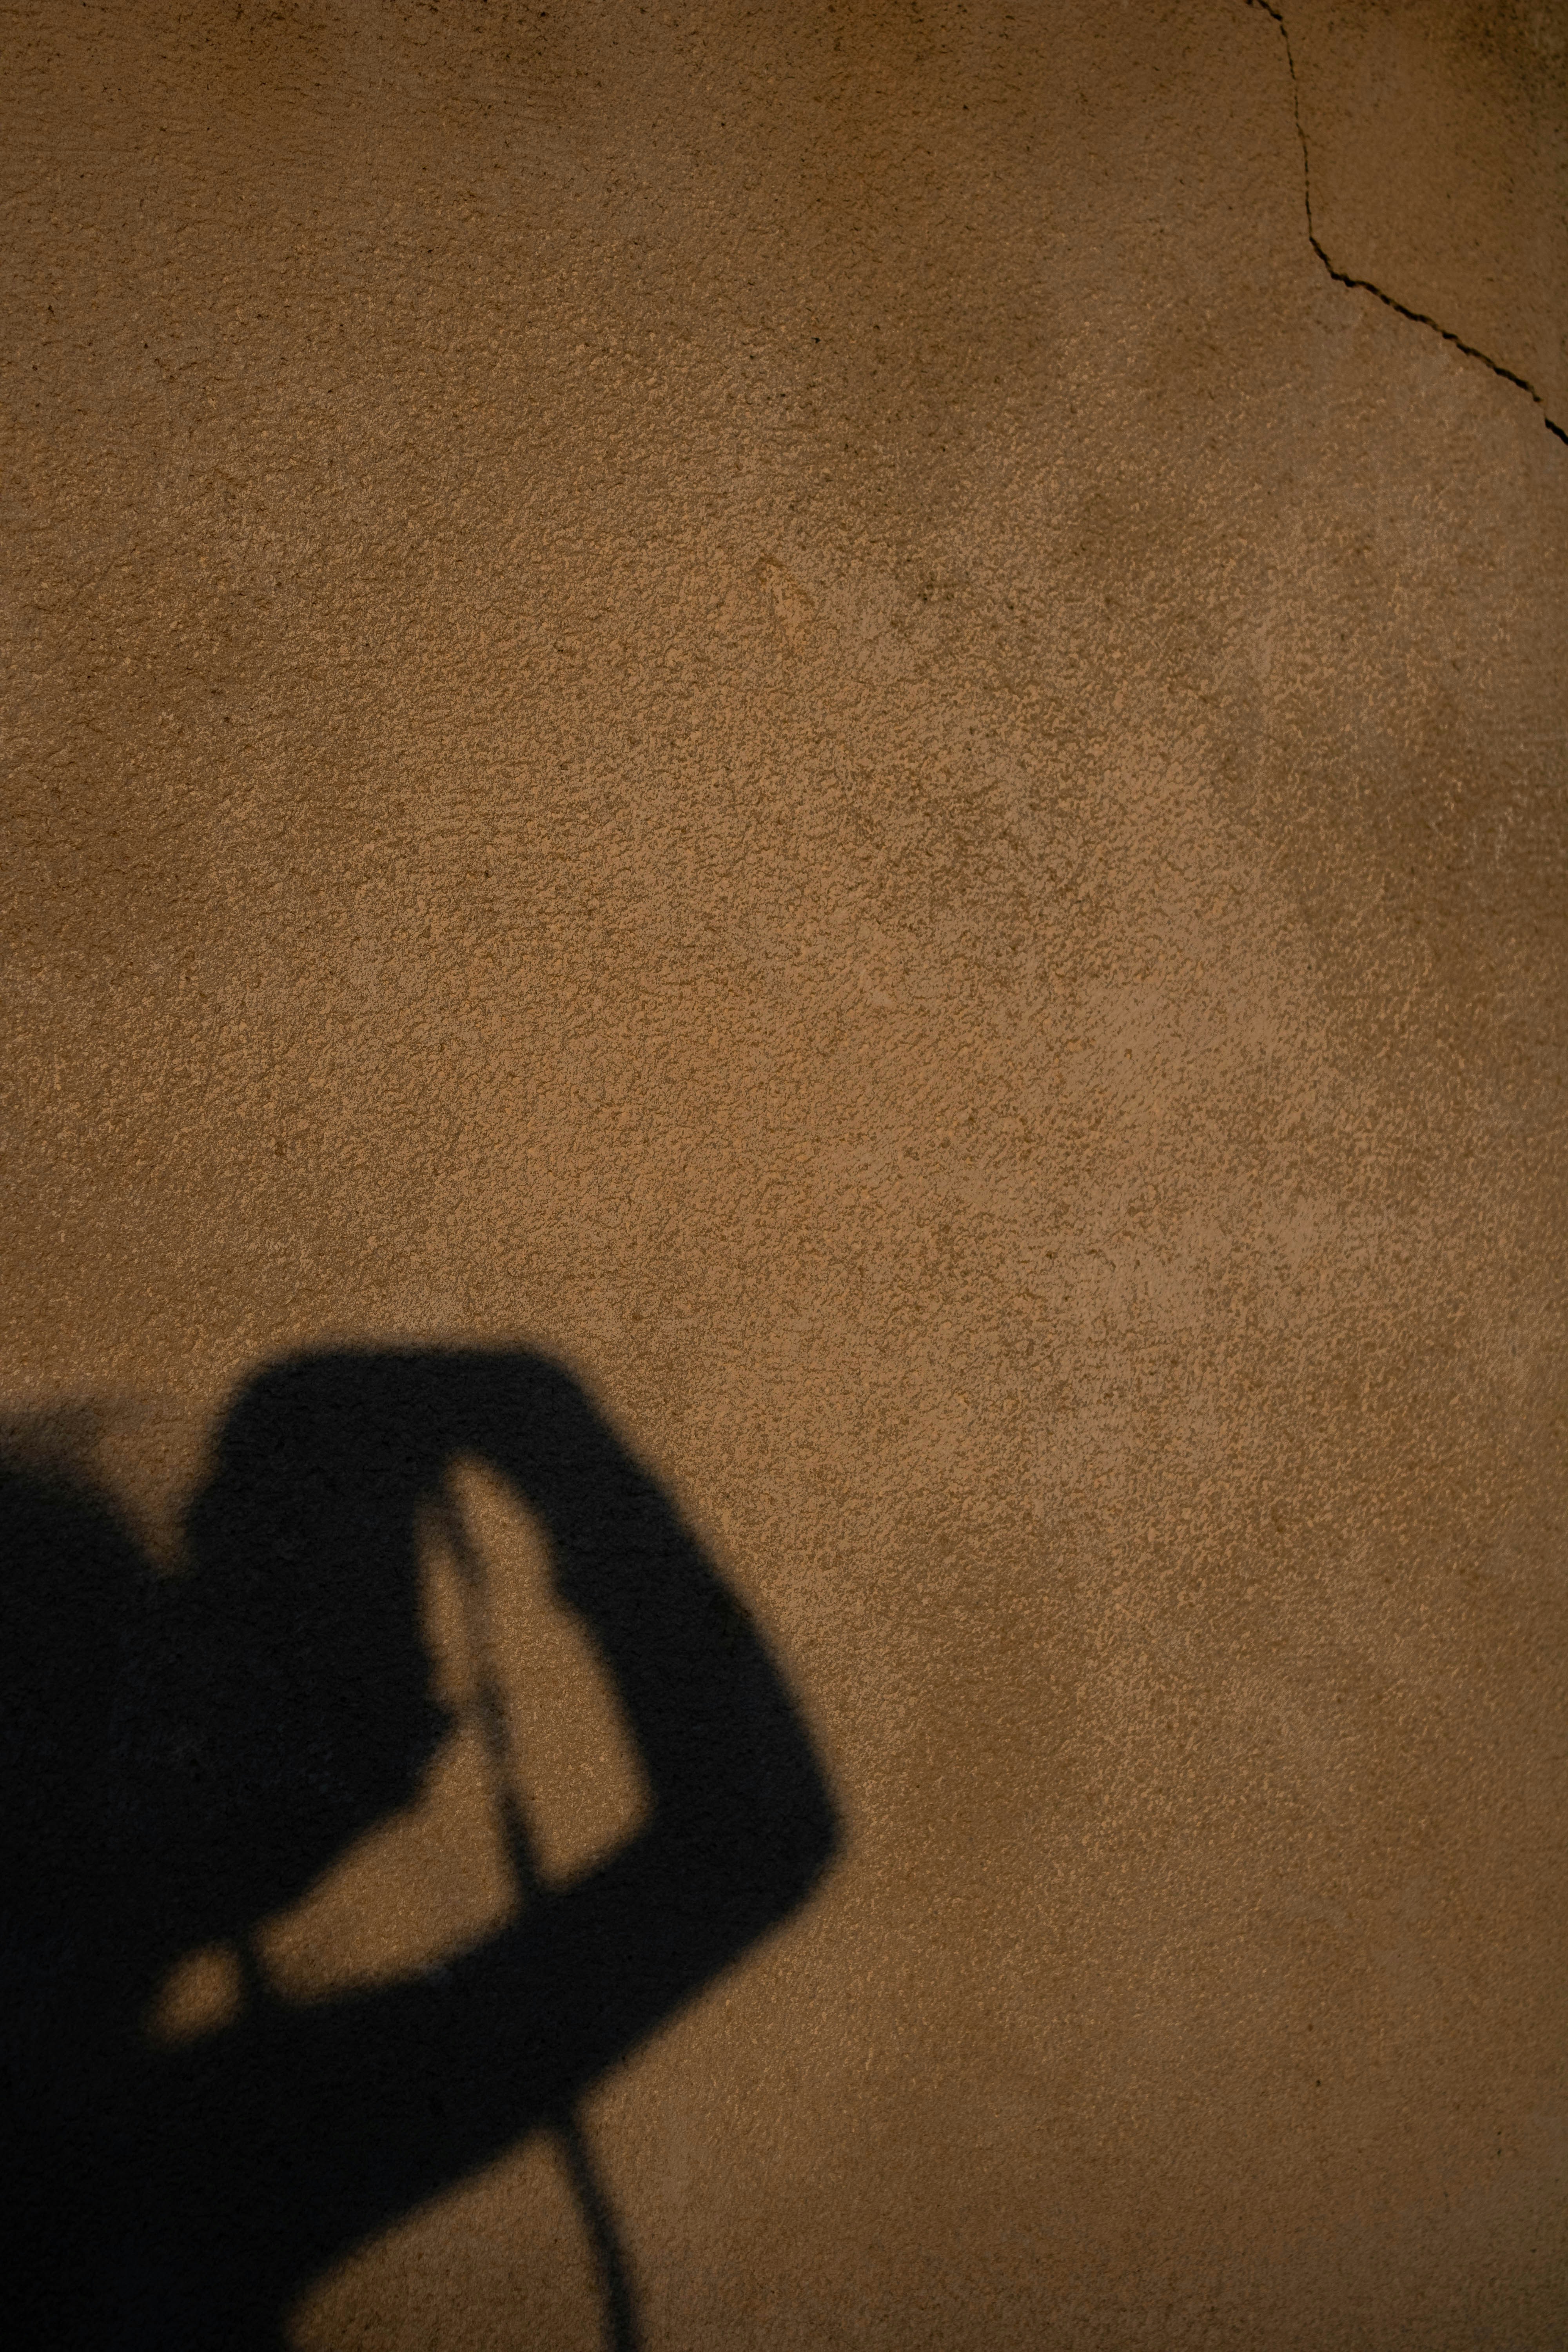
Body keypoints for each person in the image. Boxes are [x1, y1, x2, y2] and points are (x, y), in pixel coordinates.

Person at [0, 1349, 839, 2349]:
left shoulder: (169, 2155)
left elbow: (748, 1842)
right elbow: (744, 1838)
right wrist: (558, 1443)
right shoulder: (182, 2167)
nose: (426, 1735)